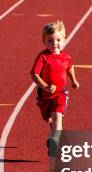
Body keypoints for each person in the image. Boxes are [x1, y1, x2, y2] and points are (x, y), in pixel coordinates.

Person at [30, 20, 79, 156]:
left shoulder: (66, 57)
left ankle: (55, 141)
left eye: (58, 40)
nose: (54, 44)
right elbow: (33, 74)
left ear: (64, 40)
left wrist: (73, 80)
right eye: (50, 41)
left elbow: (70, 67)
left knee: (58, 117)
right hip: (45, 97)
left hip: (60, 94)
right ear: (44, 42)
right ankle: (55, 137)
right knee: (49, 119)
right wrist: (45, 86)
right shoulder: (43, 57)